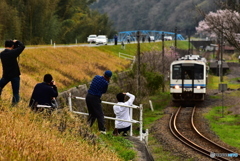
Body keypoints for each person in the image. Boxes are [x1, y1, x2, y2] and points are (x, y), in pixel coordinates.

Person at [0, 39, 25, 105]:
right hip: (15, 75)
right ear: (12, 46)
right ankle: (14, 105)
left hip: (6, 75)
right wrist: (17, 41)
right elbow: (22, 46)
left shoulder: (2, 54)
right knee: (15, 92)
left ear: (4, 45)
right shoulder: (13, 53)